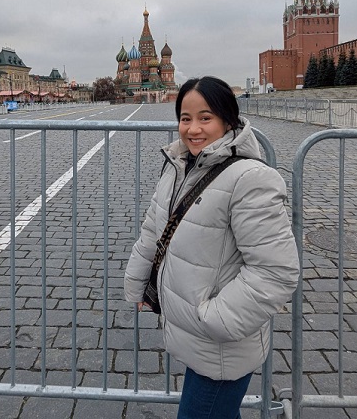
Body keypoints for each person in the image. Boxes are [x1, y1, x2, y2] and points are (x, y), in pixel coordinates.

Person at [124, 76, 300, 419]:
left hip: (222, 346)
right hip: (200, 339)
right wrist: (139, 283)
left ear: (228, 120)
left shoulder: (250, 179)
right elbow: (153, 231)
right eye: (185, 118)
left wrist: (214, 319)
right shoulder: (180, 167)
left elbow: (276, 271)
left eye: (205, 118)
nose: (193, 129)